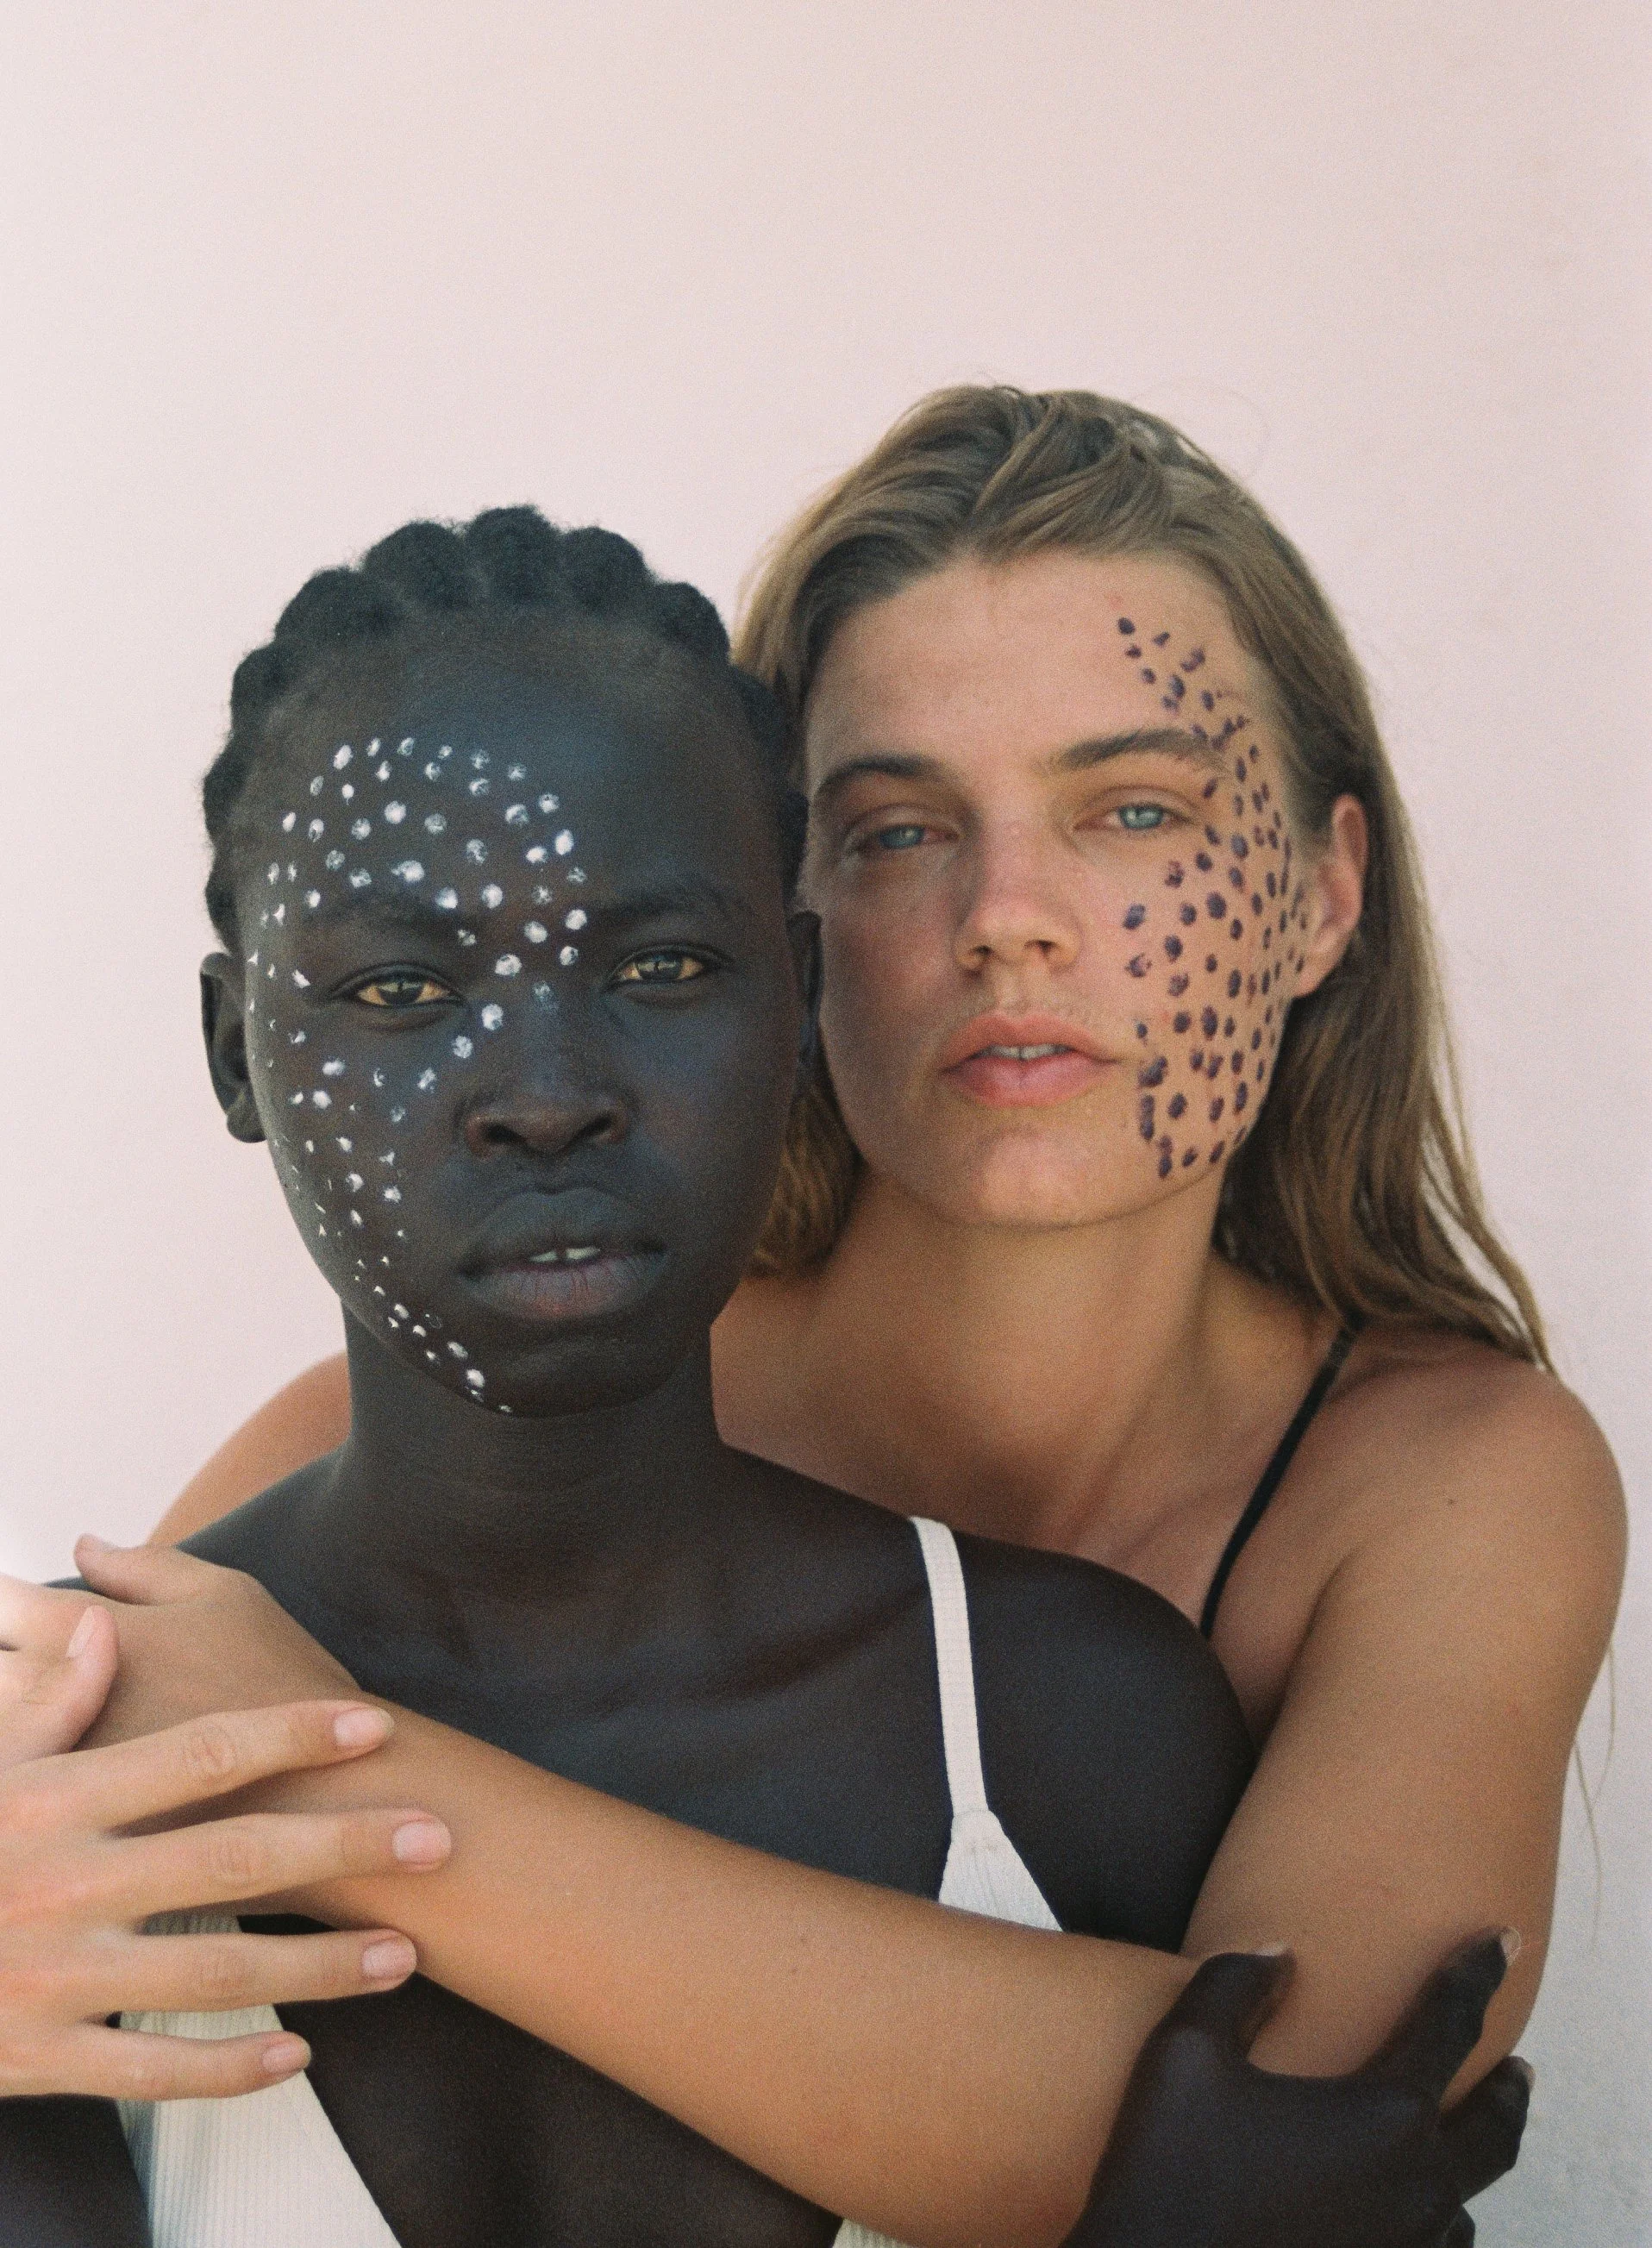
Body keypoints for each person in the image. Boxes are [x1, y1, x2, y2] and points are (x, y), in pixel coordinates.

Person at [3, 386, 1614, 2234]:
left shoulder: (1441, 1480)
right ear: (795, 921)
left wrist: (353, 1789)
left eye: (1134, 807)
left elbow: (1290, 2118)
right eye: (899, 831)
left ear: (1324, 895)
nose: (1010, 916)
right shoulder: (427, 1403)